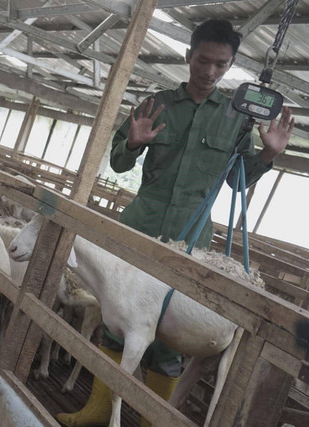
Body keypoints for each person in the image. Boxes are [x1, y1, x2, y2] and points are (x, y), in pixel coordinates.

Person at [57, 19, 294, 427]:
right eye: (203, 60)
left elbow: (239, 184)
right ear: (188, 56)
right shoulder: (158, 103)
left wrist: (268, 156)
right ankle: (98, 409)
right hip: (140, 227)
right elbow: (116, 162)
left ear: (231, 65)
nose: (210, 71)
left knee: (172, 334)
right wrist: (132, 142)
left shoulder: (236, 119)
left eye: (221, 65)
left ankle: (151, 419)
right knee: (116, 318)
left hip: (192, 239)